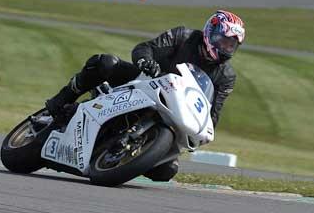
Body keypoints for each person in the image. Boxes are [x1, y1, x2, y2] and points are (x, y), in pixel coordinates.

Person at [44, 10, 246, 182]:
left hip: (174, 112)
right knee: (105, 63)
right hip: (145, 83)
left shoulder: (226, 77)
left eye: (232, 45)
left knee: (167, 170)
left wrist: (203, 132)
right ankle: (62, 99)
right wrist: (145, 61)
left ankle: (125, 160)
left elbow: (213, 113)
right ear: (211, 33)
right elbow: (145, 48)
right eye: (224, 41)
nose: (226, 48)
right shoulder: (183, 36)